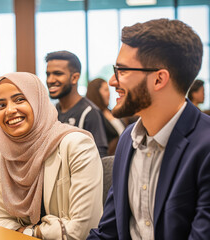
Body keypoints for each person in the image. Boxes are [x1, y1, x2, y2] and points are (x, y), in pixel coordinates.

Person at [87, 18, 210, 239]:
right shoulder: (128, 139)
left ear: (159, 79)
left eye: (122, 71)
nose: (113, 82)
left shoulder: (205, 147)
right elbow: (109, 232)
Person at [0, 72, 103, 239]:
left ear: (38, 101)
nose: (10, 110)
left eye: (20, 99)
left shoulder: (77, 145)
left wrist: (31, 232)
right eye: (0, 105)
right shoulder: (1, 152)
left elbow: (83, 229)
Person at [45, 50, 108, 158]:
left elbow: (99, 159)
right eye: (48, 74)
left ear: (75, 78)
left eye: (58, 74)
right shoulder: (52, 112)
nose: (50, 80)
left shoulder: (89, 113)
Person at [86, 78, 126, 155]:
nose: (109, 93)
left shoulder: (112, 111)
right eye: (106, 90)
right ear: (96, 93)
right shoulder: (94, 115)